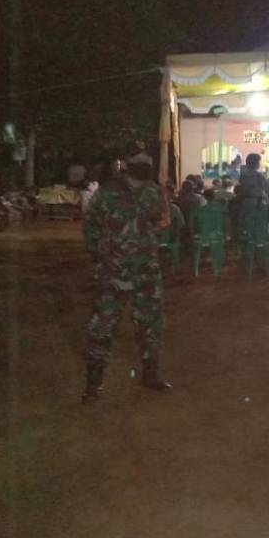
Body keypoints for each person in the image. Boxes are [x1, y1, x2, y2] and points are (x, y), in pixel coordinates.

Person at [83, 144, 172, 401]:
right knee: (102, 327)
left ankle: (150, 375)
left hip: (146, 271)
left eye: (147, 160)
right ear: (128, 164)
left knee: (151, 324)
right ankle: (94, 384)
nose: (145, 163)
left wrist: (148, 241)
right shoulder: (106, 193)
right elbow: (90, 227)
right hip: (113, 272)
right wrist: (102, 256)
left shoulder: (154, 193)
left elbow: (163, 221)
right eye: (140, 160)